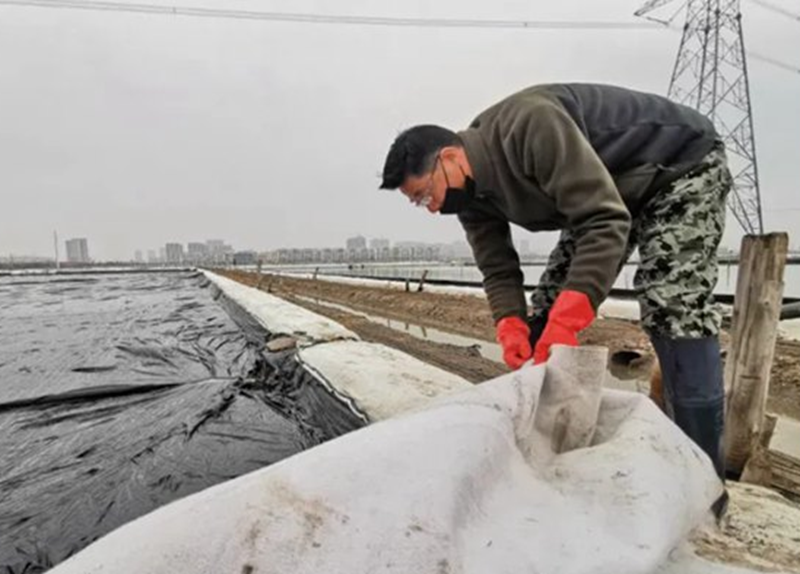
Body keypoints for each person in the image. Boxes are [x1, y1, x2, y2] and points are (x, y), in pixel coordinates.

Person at [379, 83, 732, 486]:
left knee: (672, 301)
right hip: (611, 193)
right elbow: (497, 268)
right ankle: (550, 446)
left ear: (449, 158)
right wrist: (510, 324)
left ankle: (704, 470)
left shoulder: (531, 126)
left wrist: (568, 322)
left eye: (426, 194)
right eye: (420, 203)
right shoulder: (472, 198)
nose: (432, 208)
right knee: (547, 310)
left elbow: (604, 221)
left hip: (677, 166)